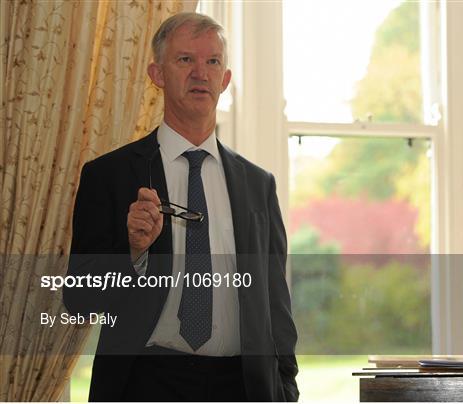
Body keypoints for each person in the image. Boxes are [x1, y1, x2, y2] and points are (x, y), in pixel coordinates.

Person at [63, 12, 299, 402]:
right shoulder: (109, 176)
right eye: (185, 60)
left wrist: (286, 391)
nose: (200, 74)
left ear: (225, 79)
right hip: (144, 383)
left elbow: (276, 306)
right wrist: (134, 252)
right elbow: (79, 300)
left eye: (212, 62)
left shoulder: (259, 185)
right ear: (157, 74)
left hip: (242, 387)